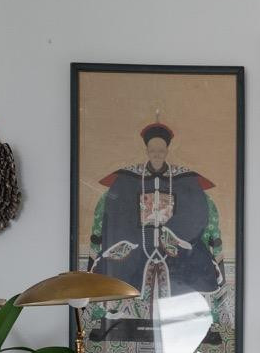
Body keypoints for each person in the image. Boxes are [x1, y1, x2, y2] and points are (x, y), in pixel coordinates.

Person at [88, 120, 225, 299]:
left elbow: (196, 213)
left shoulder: (185, 179)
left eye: (161, 151)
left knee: (198, 264)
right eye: (153, 151)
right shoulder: (128, 178)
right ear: (147, 151)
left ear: (167, 151)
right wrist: (133, 237)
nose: (157, 155)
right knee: (115, 265)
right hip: (136, 242)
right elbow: (117, 213)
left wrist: (172, 235)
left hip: (176, 243)